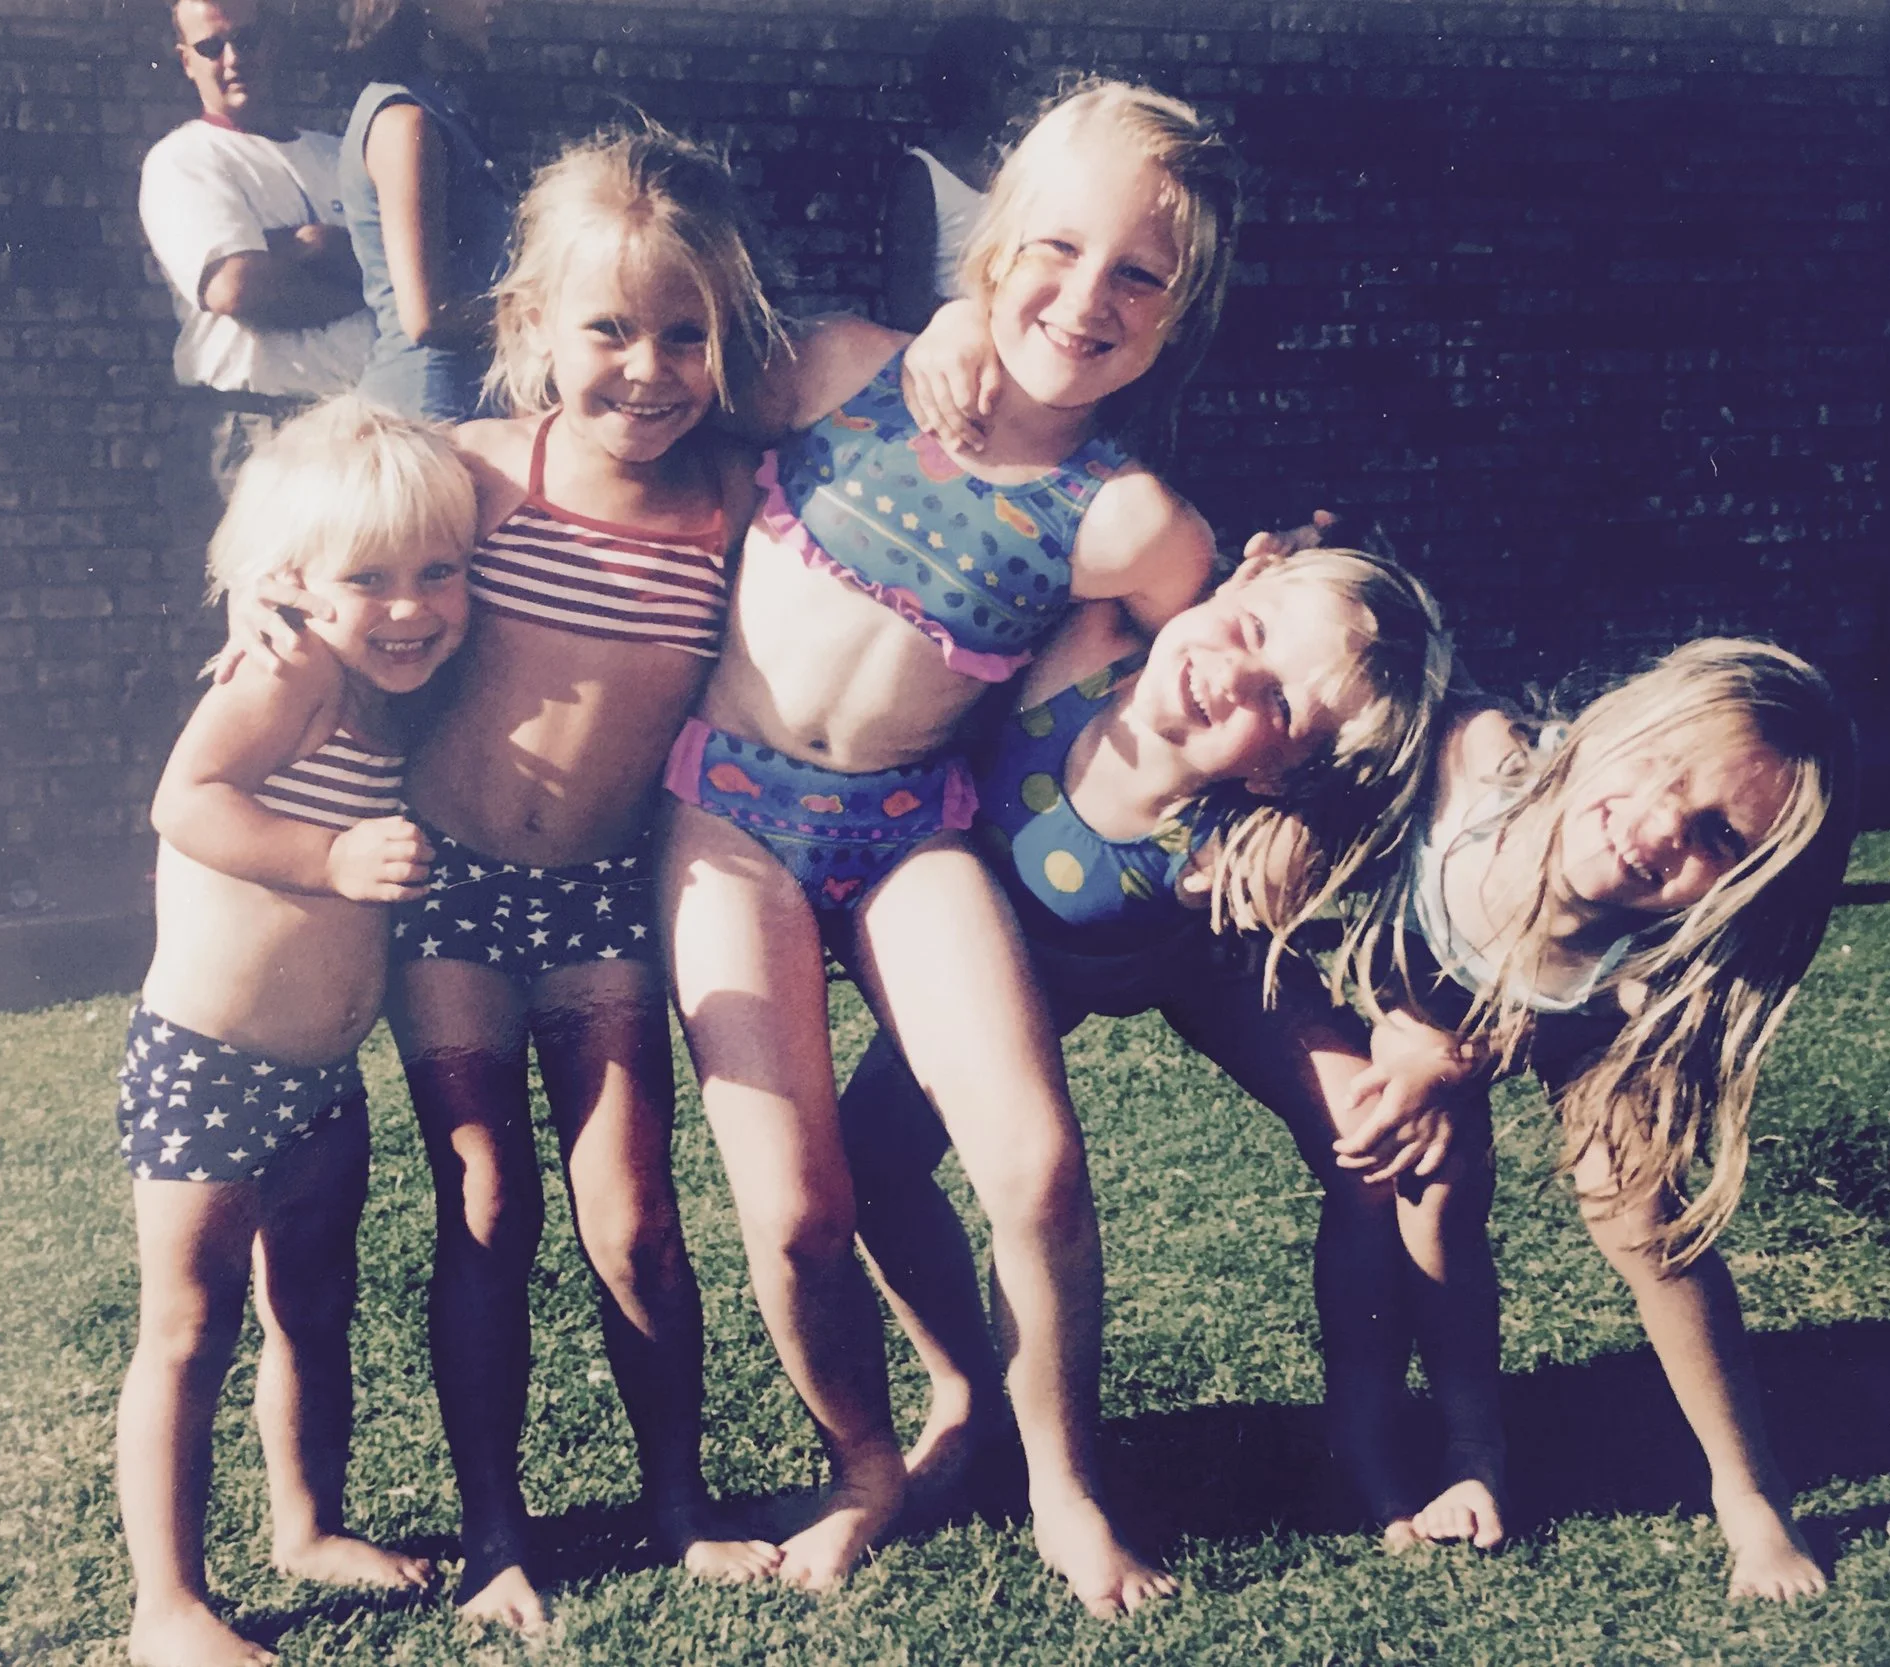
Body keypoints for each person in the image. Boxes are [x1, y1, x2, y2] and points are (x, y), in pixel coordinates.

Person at [658, 80, 1239, 1614]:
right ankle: (869, 1459)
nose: (1086, 297)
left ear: (1182, 312)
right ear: (993, 241)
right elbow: (632, 398)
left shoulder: (1131, 522)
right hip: (728, 814)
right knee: (796, 1209)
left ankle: (1065, 1482)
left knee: (1037, 1167)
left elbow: (1227, 676)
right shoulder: (844, 368)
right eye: (1055, 248)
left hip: (916, 824)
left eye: (1139, 274)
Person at [227, 127, 790, 1634]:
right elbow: (321, 518)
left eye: (686, 333)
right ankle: (494, 1532)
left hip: (603, 896)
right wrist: (258, 608)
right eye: (609, 329)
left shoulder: (733, 504)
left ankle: (680, 1503)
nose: (648, 369)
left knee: (636, 1210)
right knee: (485, 1197)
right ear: (534, 323)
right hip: (452, 893)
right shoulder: (479, 473)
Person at [832, 544, 1463, 1544]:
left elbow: (1397, 915)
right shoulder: (1082, 648)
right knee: (865, 1156)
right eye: (1252, 630)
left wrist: (1422, 1039)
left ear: (1283, 772)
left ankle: (1364, 1426)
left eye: (1280, 705)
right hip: (1015, 964)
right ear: (1238, 582)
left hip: (1200, 962)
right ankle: (965, 1396)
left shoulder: (1255, 840)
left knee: (1372, 1143)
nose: (1232, 675)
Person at [1334, 636, 1858, 1598]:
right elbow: (1379, 665)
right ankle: (1471, 1447)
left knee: (1640, 1208)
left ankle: (1749, 1489)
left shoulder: (1663, 948)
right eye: (1663, 766)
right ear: (1618, 720)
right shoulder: (1476, 762)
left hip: (1578, 1012)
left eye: (1717, 836)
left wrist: (1459, 1061)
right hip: (1425, 985)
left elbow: (1570, 1020)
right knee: (1434, 1175)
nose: (1658, 826)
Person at [111, 397, 475, 1667]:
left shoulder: (380, 675)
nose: (410, 604)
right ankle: (167, 1606)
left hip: (321, 1074)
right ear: (292, 582)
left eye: (440, 571)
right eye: (368, 579)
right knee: (188, 1327)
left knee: (312, 1307)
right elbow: (186, 798)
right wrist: (329, 855)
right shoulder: (290, 668)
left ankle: (306, 1523)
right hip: (209, 1063)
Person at [138, 0, 374, 517]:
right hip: (257, 429)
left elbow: (405, 270)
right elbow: (239, 289)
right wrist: (338, 259)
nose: (232, 58)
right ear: (186, 61)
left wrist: (293, 248)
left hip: (358, 425)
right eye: (210, 47)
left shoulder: (341, 155)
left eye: (246, 40)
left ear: (274, 43)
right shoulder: (185, 160)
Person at [340, 0, 516, 421]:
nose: (494, 4)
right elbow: (427, 317)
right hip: (429, 413)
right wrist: (544, 316)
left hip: (460, 402)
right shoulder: (405, 123)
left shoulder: (438, 112)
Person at [880, 16, 1030, 332]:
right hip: (949, 349)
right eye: (1013, 76)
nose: (1023, 89)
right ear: (976, 80)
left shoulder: (1016, 166)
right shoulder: (921, 175)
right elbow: (907, 307)